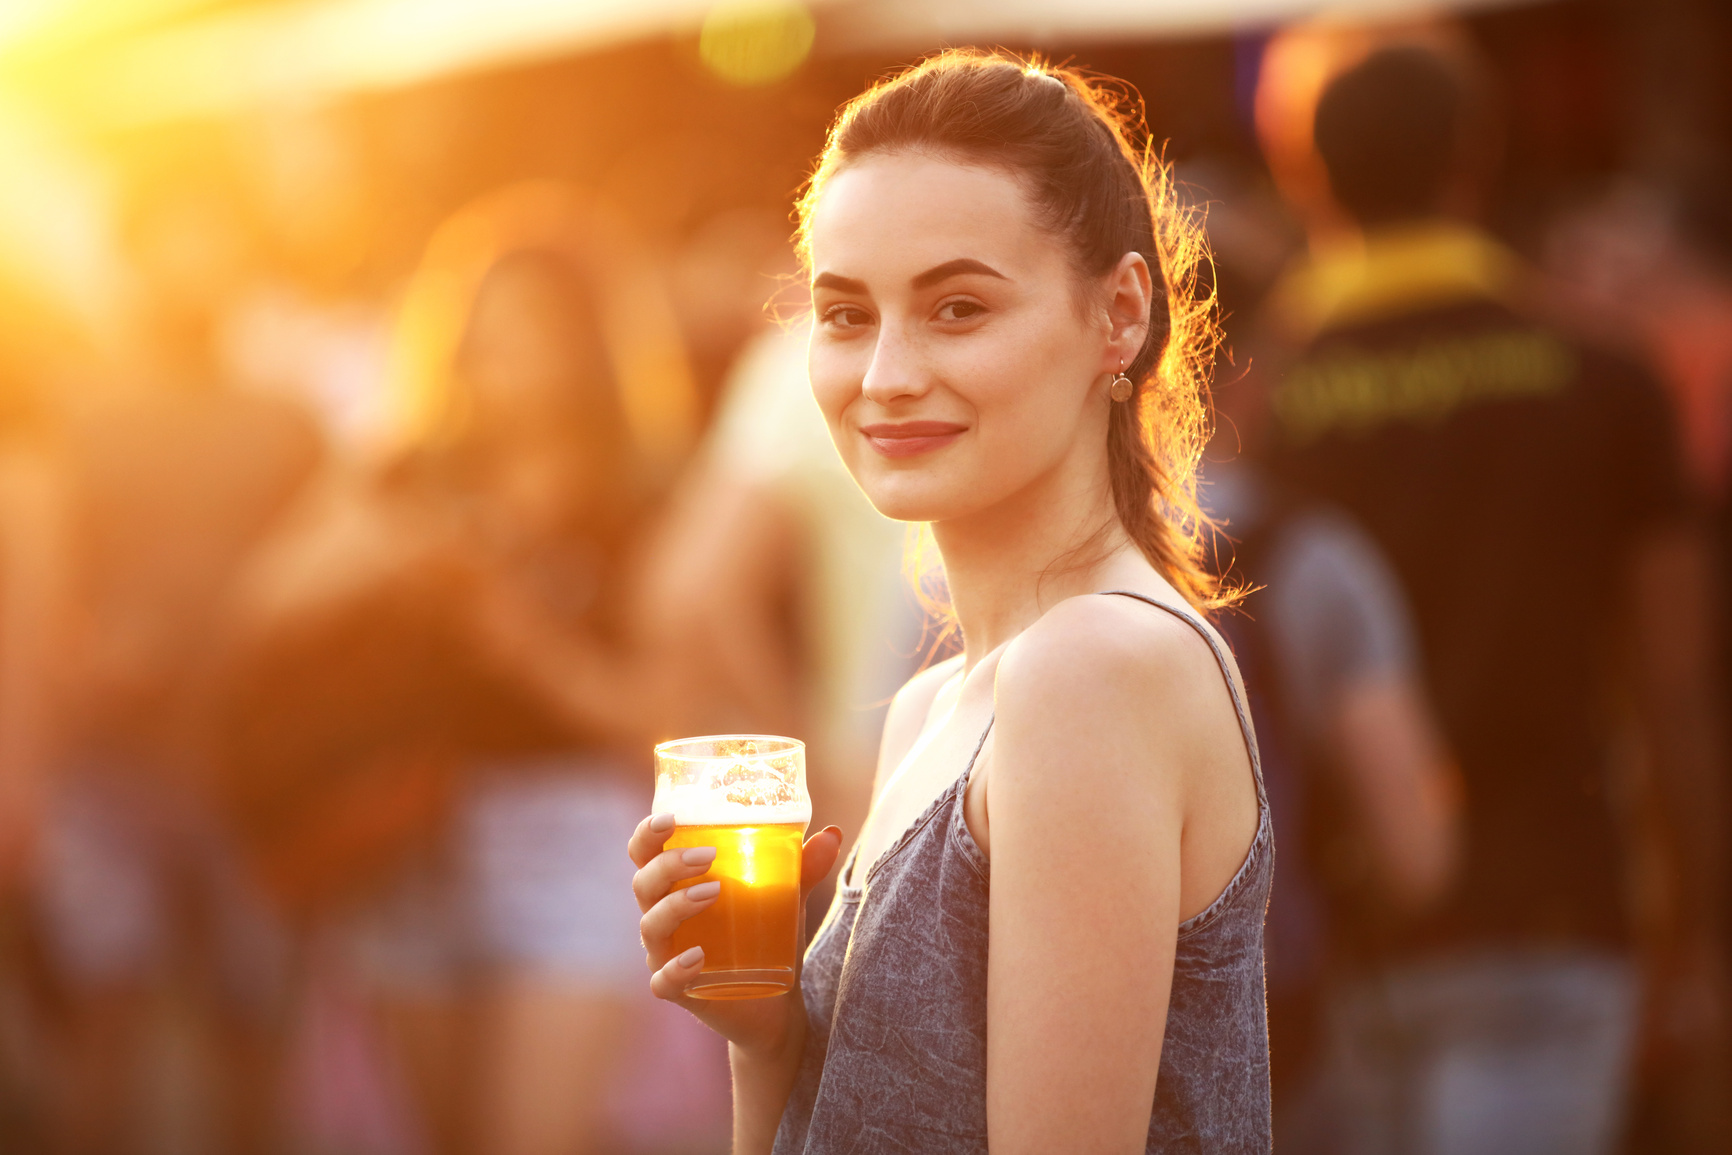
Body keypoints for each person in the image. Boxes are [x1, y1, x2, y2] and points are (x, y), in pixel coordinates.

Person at [631, 50, 1271, 1153]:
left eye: (957, 307)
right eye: (843, 315)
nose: (884, 373)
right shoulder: (933, 707)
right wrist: (764, 1029)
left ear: (1119, 315)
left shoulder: (1094, 670)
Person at [1251, 35, 1725, 1154]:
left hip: (1328, 939)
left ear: (1302, 175)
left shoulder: (1258, 403)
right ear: (1477, 156)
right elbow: (1674, 675)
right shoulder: (1603, 372)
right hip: (1555, 907)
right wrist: (1694, 927)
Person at [222, 184, 706, 1155]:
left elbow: (671, 721)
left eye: (523, 328)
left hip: (565, 837)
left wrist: (525, 643)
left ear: (586, 342)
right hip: (409, 837)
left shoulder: (641, 498)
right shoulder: (410, 470)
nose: (494, 354)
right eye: (480, 327)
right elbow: (266, 599)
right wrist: (394, 549)